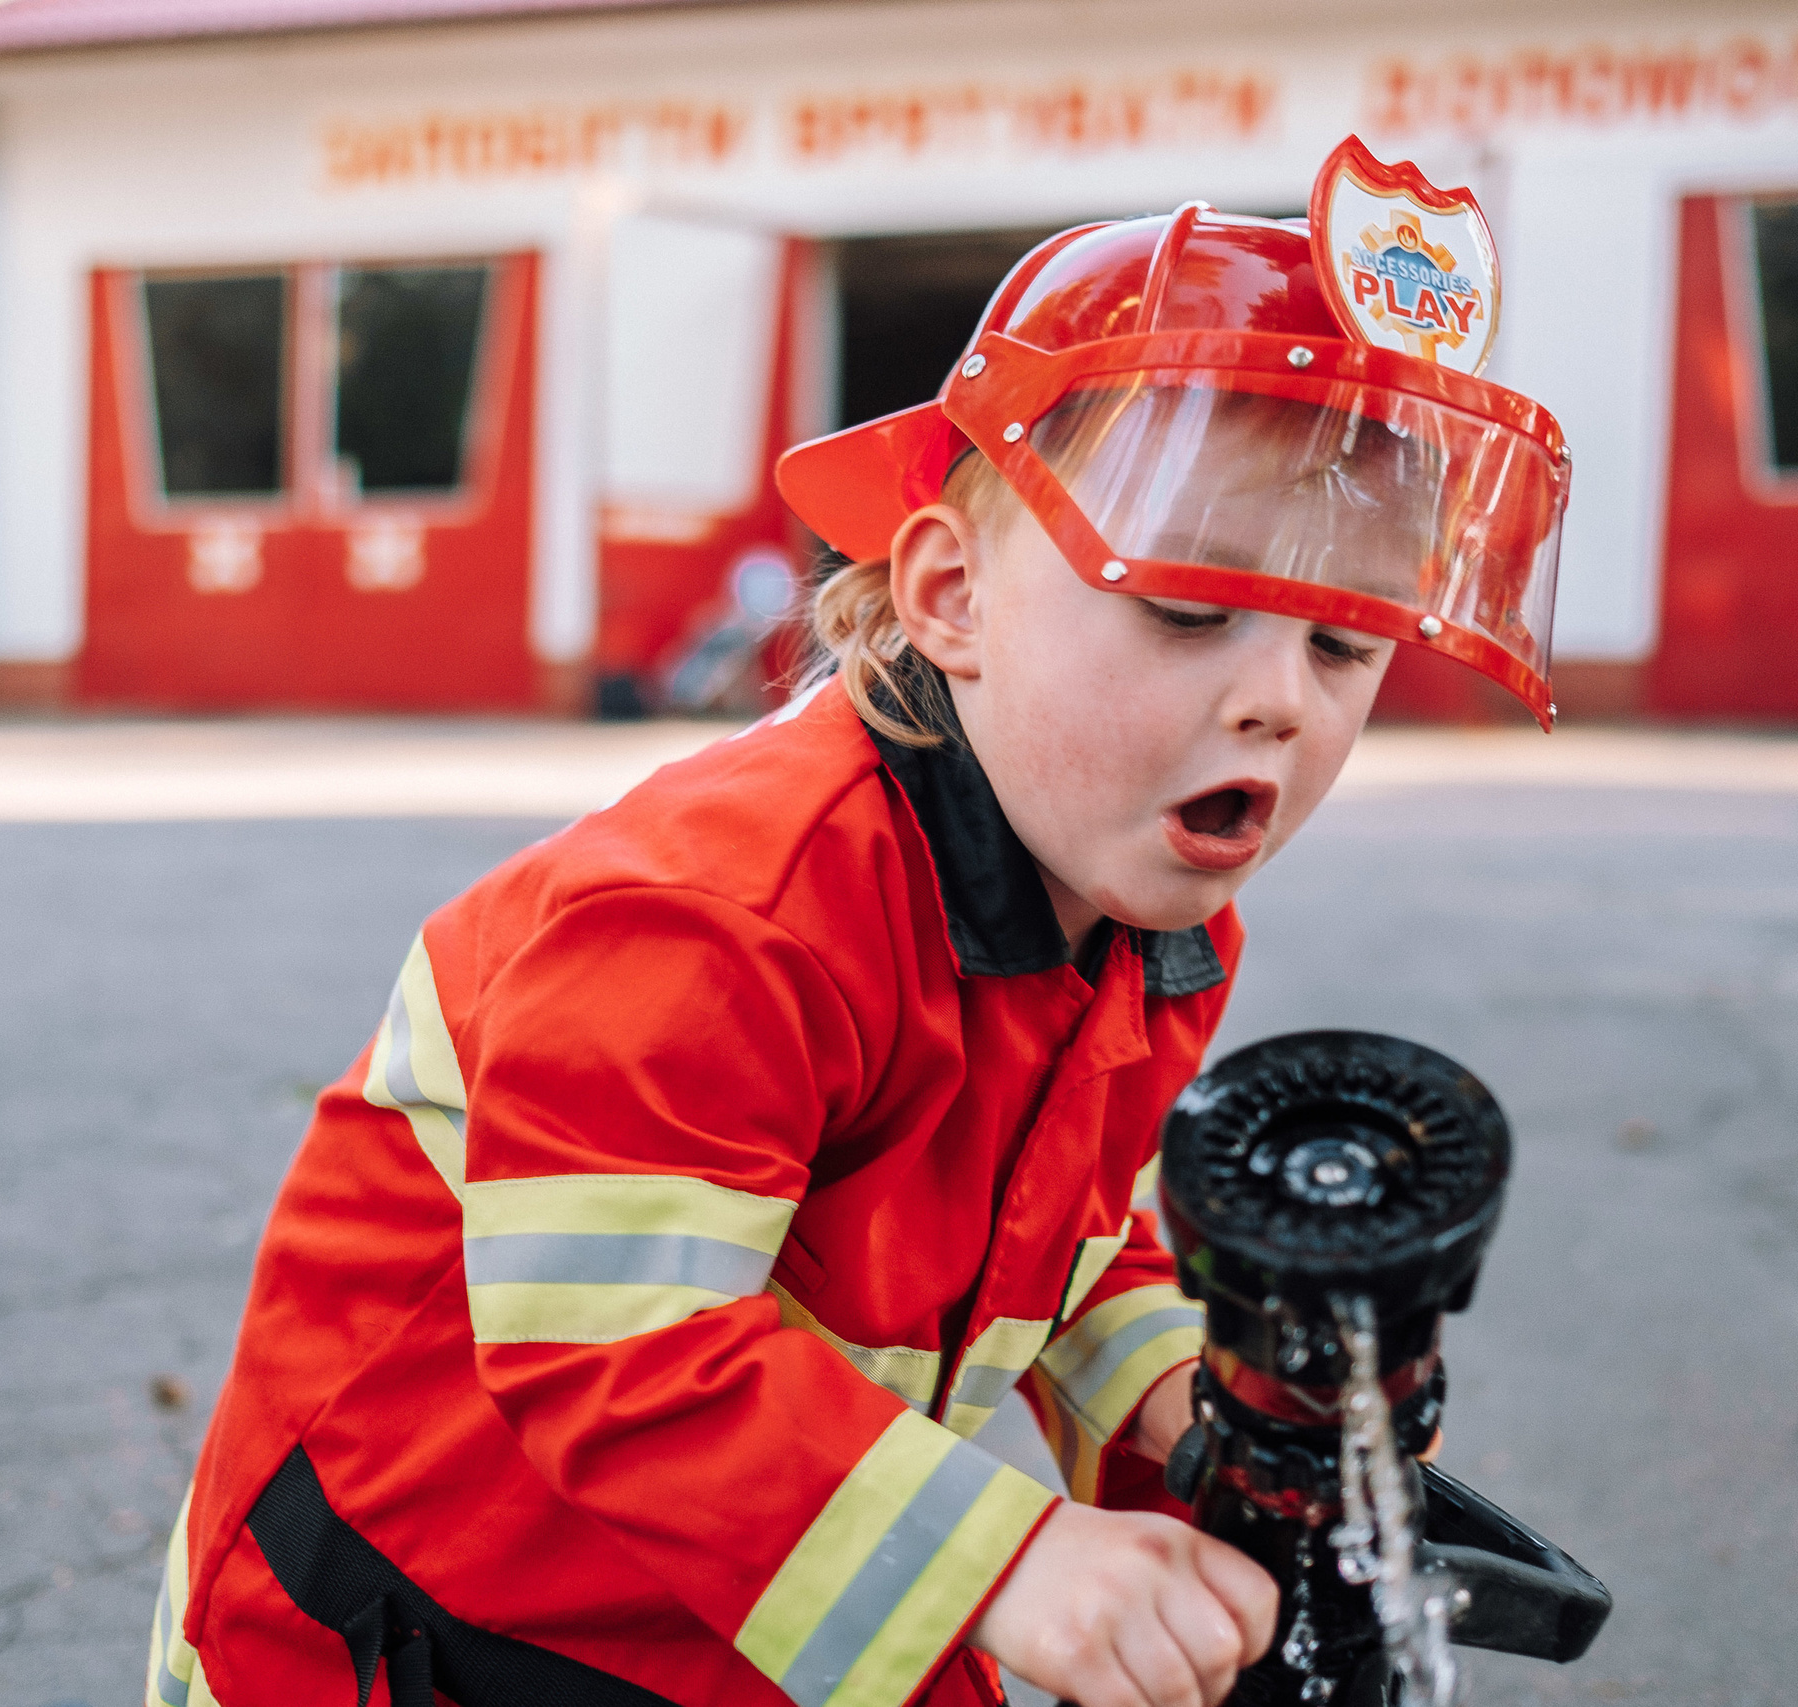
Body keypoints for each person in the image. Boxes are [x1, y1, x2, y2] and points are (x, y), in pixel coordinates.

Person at [148, 148, 1570, 1707]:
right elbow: (623, 1349)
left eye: (1344, 644)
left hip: (769, 1575)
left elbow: (1073, 1242)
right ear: (952, 596)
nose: (1276, 701)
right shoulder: (712, 918)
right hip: (424, 1617)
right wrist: (1011, 1562)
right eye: (1184, 608)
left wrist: (1206, 1415)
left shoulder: (1145, 916)